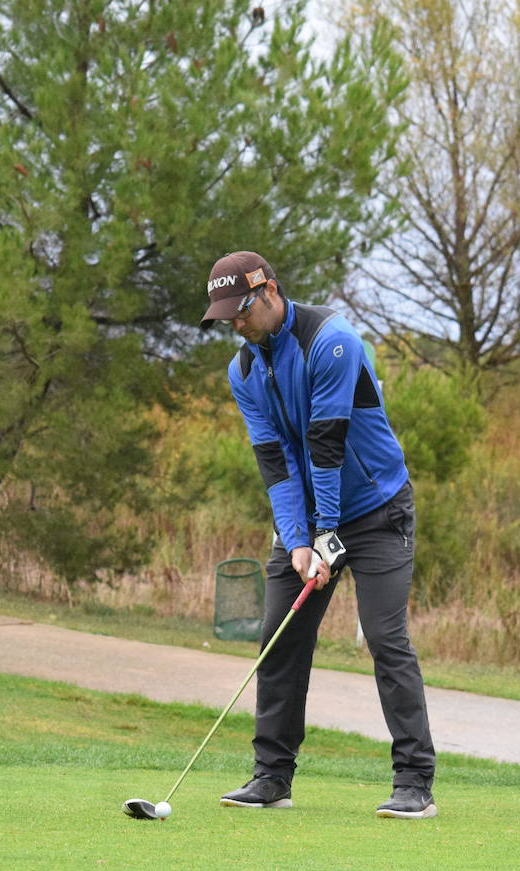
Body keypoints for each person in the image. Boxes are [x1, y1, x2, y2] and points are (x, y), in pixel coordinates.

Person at [200, 251, 437, 819]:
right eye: (225, 315)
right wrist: (300, 539)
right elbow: (277, 464)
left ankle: (414, 783)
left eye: (241, 310)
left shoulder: (332, 341)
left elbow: (326, 445)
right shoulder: (244, 371)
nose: (235, 322)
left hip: (378, 509)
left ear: (270, 292)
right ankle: (271, 777)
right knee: (280, 638)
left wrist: (328, 532)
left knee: (385, 638)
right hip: (308, 517)